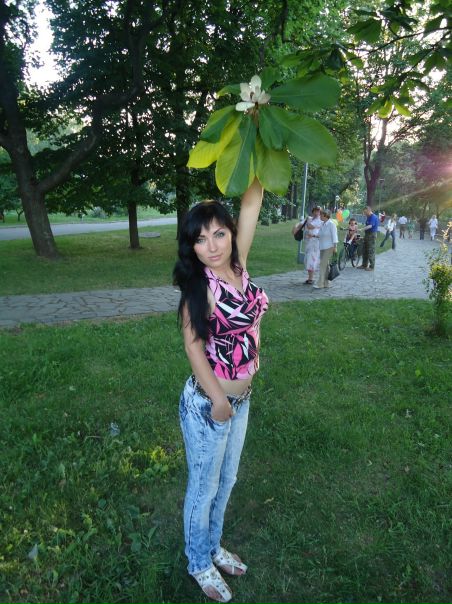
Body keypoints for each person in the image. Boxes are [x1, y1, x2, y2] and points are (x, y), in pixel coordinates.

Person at [173, 179, 268, 603]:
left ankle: (212, 547)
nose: (211, 246)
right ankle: (198, 562)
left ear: (230, 233)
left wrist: (258, 151)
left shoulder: (239, 265)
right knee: (204, 487)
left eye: (218, 234)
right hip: (208, 405)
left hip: (240, 401)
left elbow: (251, 203)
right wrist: (217, 400)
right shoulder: (199, 289)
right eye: (200, 239)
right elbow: (193, 349)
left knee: (227, 481)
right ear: (191, 246)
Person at [313, 208, 338, 289]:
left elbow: (334, 236)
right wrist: (313, 235)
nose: (320, 216)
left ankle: (320, 283)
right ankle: (326, 283)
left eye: (321, 215)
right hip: (322, 247)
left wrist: (335, 247)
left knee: (322, 265)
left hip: (329, 247)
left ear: (325, 216)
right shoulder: (323, 224)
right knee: (325, 266)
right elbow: (320, 234)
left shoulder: (331, 224)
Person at [301, 206, 322, 284]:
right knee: (308, 259)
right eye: (315, 211)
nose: (316, 213)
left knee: (312, 259)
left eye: (318, 212)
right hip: (309, 242)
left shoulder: (319, 220)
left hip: (315, 243)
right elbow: (302, 225)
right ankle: (310, 277)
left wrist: (307, 220)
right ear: (313, 212)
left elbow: (309, 226)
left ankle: (311, 278)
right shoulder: (311, 219)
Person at [358, 206, 379, 271]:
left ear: (368, 211)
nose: (364, 214)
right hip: (367, 235)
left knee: (371, 251)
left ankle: (372, 267)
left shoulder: (373, 217)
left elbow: (370, 226)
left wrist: (362, 229)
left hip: (371, 235)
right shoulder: (368, 217)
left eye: (365, 212)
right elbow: (367, 225)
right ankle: (364, 265)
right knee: (365, 250)